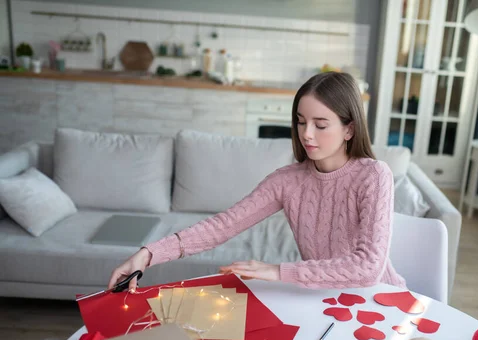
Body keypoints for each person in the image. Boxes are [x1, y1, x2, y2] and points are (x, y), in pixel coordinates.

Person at [108, 71, 407, 292]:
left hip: (380, 300)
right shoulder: (287, 181)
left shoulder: (374, 175)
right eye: (301, 121)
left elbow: (367, 268)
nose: (306, 134)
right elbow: (223, 225)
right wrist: (148, 255)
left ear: (349, 129)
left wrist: (277, 271)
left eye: (321, 124)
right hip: (323, 299)